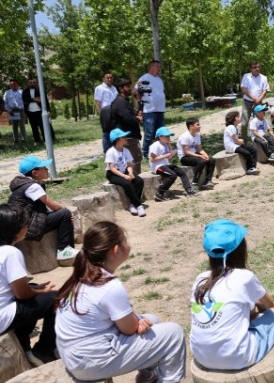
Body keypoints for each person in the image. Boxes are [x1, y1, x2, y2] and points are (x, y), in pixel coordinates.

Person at [55, 221, 186, 383]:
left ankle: (148, 377)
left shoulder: (82, 274)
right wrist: (136, 324)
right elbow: (130, 329)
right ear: (116, 251)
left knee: (153, 320)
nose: (128, 244)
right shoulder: (109, 286)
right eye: (125, 240)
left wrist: (139, 322)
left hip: (75, 353)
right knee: (174, 334)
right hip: (89, 362)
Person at [190, 219, 274, 371]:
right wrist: (270, 308)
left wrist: (256, 308)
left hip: (201, 355)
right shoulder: (244, 277)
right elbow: (270, 305)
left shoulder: (200, 280)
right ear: (241, 250)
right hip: (237, 357)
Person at [0, 204, 58, 366]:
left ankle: (24, 345)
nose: (27, 227)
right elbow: (22, 294)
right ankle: (45, 350)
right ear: (15, 229)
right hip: (2, 317)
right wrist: (39, 291)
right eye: (25, 224)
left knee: (33, 288)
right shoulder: (10, 253)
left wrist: (34, 289)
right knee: (58, 297)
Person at [8, 155, 79, 261]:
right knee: (64, 213)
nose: (47, 169)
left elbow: (41, 208)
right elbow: (53, 206)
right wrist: (66, 211)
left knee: (62, 214)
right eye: (44, 168)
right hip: (28, 228)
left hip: (25, 224)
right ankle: (64, 250)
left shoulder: (23, 185)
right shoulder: (33, 186)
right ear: (35, 173)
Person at [149, 126, 198, 200]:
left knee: (181, 172)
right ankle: (159, 193)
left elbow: (168, 156)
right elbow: (152, 159)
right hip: (158, 167)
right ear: (160, 137)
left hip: (165, 165)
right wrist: (166, 155)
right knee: (173, 175)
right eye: (166, 136)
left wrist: (170, 151)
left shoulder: (165, 145)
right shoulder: (155, 145)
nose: (168, 138)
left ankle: (188, 189)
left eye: (169, 136)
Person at [106, 128, 145, 217]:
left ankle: (132, 204)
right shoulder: (111, 152)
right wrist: (124, 176)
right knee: (127, 184)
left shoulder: (126, 150)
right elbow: (112, 168)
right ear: (118, 139)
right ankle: (139, 205)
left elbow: (129, 164)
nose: (126, 138)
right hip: (114, 174)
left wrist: (130, 172)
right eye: (124, 137)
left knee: (139, 181)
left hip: (125, 171)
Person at [111, 78, 143, 174]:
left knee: (135, 161)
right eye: (127, 87)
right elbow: (127, 118)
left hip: (129, 136)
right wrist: (138, 119)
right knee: (133, 162)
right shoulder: (120, 102)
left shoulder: (123, 101)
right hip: (128, 138)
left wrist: (138, 103)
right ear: (121, 88)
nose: (130, 89)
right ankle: (135, 185)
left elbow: (129, 115)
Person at [137, 60, 167, 158]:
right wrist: (140, 105)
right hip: (149, 110)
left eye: (160, 67)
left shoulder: (159, 79)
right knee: (149, 133)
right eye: (157, 66)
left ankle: (157, 151)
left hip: (160, 110)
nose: (159, 69)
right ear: (151, 67)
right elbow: (135, 91)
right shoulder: (144, 78)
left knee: (159, 132)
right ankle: (145, 152)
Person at [177, 118, 216, 190]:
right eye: (197, 125)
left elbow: (199, 149)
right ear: (191, 126)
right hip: (184, 157)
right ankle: (194, 182)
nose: (200, 126)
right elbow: (186, 152)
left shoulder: (197, 135)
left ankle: (207, 181)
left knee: (211, 159)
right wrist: (200, 156)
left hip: (194, 154)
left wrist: (205, 155)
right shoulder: (185, 136)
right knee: (201, 161)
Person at [240, 61, 270, 140]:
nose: (257, 69)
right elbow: (244, 89)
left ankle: (259, 141)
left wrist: (258, 100)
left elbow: (265, 91)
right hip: (247, 103)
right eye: (254, 67)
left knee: (258, 122)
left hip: (258, 104)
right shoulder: (246, 76)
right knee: (244, 123)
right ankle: (244, 142)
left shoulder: (264, 78)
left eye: (258, 67)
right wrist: (254, 98)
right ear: (251, 69)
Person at [223, 111, 259, 175]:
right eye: (238, 117)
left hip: (235, 145)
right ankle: (249, 168)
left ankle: (253, 166)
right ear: (233, 119)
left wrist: (240, 141)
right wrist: (240, 141)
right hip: (231, 147)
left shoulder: (234, 127)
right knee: (247, 153)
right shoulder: (231, 127)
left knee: (253, 150)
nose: (240, 118)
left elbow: (236, 140)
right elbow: (236, 140)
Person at [22, 77, 51, 144]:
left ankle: (45, 140)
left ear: (36, 83)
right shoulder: (25, 91)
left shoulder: (40, 90)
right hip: (30, 112)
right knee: (34, 127)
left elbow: (45, 101)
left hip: (40, 111)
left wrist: (48, 110)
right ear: (28, 83)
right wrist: (34, 99)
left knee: (42, 126)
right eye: (30, 82)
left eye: (34, 82)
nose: (32, 84)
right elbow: (25, 100)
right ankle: (37, 140)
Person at [94, 72, 118, 153]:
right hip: (105, 113)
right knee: (106, 134)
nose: (109, 79)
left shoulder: (114, 88)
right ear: (103, 79)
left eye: (111, 77)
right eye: (107, 77)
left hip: (115, 113)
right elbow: (98, 102)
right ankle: (107, 152)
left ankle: (114, 150)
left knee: (115, 132)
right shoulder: (99, 88)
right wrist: (101, 114)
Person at [4, 78, 26, 143]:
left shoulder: (21, 92)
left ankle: (23, 139)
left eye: (14, 84)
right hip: (12, 111)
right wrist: (9, 110)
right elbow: (5, 102)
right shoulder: (7, 93)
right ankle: (15, 140)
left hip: (20, 110)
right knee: (14, 126)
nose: (13, 85)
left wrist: (21, 107)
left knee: (22, 125)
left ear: (17, 84)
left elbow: (25, 102)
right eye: (11, 84)